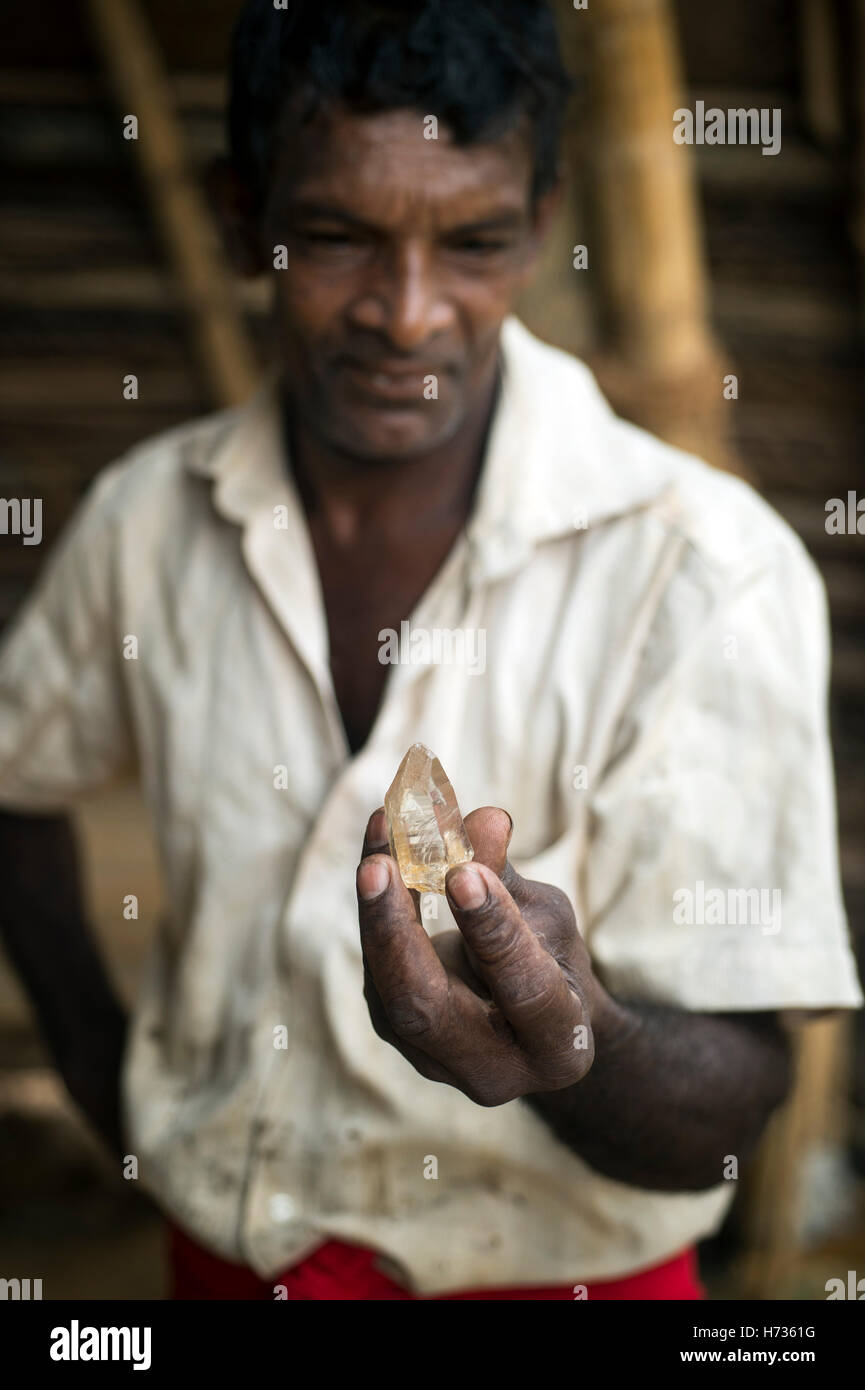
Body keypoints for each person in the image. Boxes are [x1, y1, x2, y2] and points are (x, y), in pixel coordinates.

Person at [0, 0, 861, 1302]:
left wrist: (575, 1037)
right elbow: (17, 778)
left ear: (542, 216)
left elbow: (733, 1102)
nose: (407, 315)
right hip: (222, 1273)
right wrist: (119, 1088)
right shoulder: (146, 521)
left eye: (473, 242)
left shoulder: (703, 570)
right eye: (338, 237)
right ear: (244, 219)